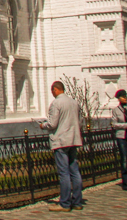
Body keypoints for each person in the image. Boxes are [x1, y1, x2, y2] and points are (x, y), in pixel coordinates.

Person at [38, 80, 83, 212]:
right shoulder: (74, 102)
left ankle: (64, 203)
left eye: (52, 91)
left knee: (64, 173)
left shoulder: (56, 103)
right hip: (73, 139)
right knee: (74, 171)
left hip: (61, 140)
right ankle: (77, 201)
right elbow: (80, 121)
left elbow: (52, 124)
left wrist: (43, 125)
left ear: (55, 90)